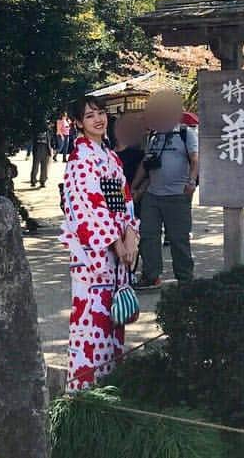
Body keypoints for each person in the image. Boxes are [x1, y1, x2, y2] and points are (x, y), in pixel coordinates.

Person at [59, 95, 139, 393]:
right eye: (90, 115)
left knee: (113, 317)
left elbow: (124, 201)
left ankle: (110, 383)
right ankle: (84, 389)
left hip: (117, 251)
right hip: (93, 254)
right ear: (78, 123)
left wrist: (130, 235)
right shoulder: (79, 161)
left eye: (101, 113)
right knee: (92, 318)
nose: (98, 119)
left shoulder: (111, 157)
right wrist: (116, 241)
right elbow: (87, 208)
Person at [132, 91, 198, 290]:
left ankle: (185, 278)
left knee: (179, 239)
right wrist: (134, 187)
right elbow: (145, 164)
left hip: (177, 195)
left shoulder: (186, 133)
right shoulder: (154, 137)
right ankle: (151, 275)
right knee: (147, 235)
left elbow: (195, 159)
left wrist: (191, 182)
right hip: (153, 194)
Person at [29, 123, 51, 187]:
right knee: (41, 166)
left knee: (38, 165)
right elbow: (48, 140)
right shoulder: (44, 130)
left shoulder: (43, 130)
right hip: (40, 147)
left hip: (41, 147)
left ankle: (37, 181)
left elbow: (49, 140)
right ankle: (40, 181)